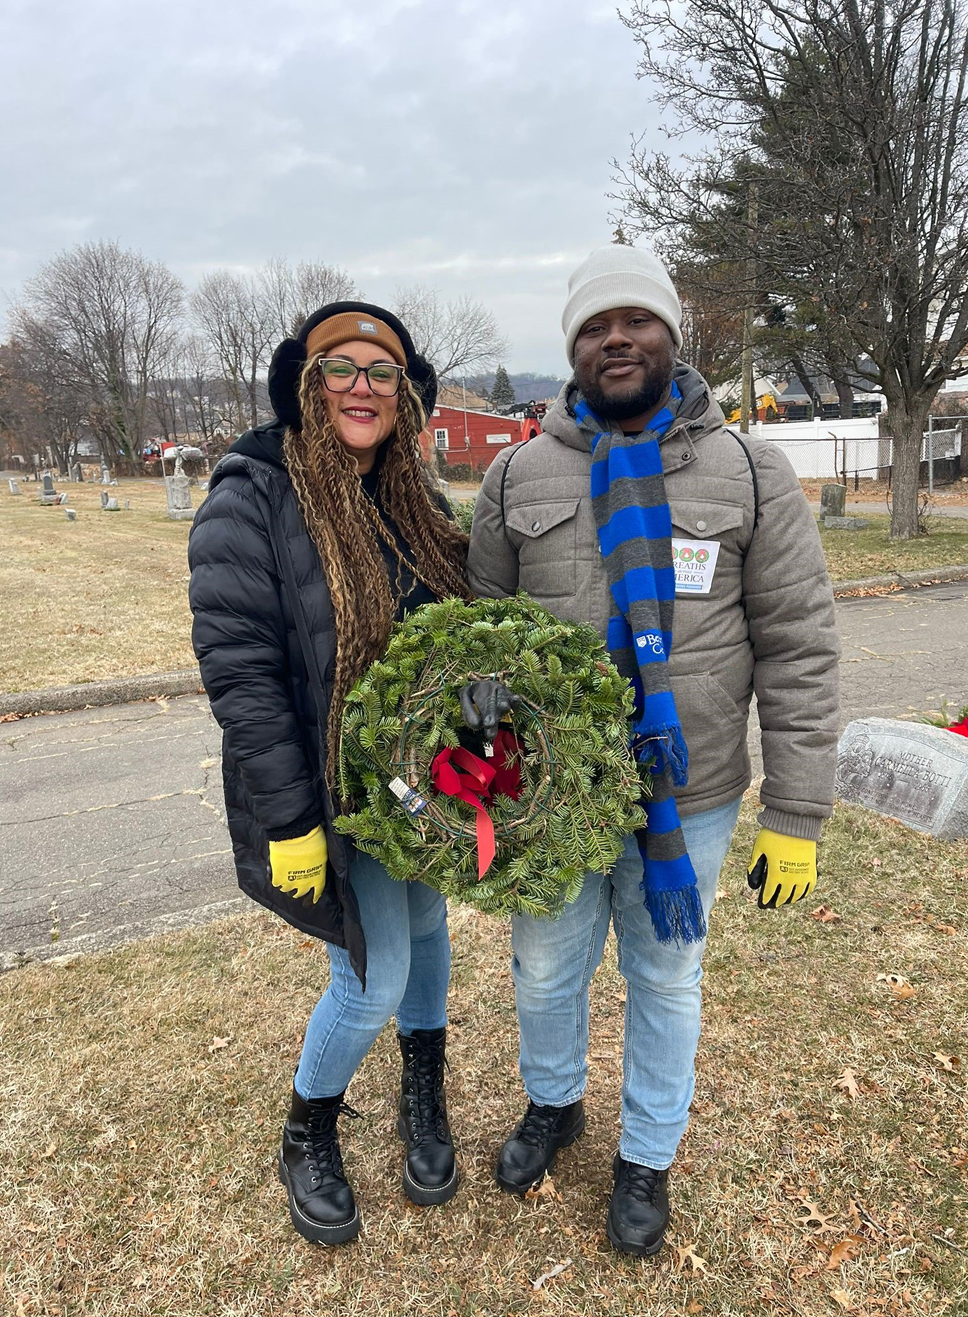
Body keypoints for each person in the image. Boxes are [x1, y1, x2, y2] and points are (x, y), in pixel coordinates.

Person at [468, 244, 840, 1256]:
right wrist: (484, 770)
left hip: (694, 793)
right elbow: (477, 643)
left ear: (673, 337)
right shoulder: (514, 476)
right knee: (545, 970)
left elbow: (801, 647)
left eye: (635, 320)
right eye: (594, 326)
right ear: (573, 351)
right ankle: (556, 1104)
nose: (616, 338)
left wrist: (797, 815)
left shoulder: (751, 472)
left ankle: (646, 1155)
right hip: (553, 796)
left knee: (665, 977)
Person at [188, 302, 473, 1245]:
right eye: (340, 369)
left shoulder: (414, 498)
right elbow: (243, 672)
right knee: (372, 973)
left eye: (381, 372)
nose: (362, 386)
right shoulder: (255, 493)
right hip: (329, 792)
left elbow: (465, 626)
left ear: (405, 394)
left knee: (427, 928)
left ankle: (420, 1090)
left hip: (421, 786)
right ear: (306, 385)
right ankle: (307, 1125)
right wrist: (291, 819)